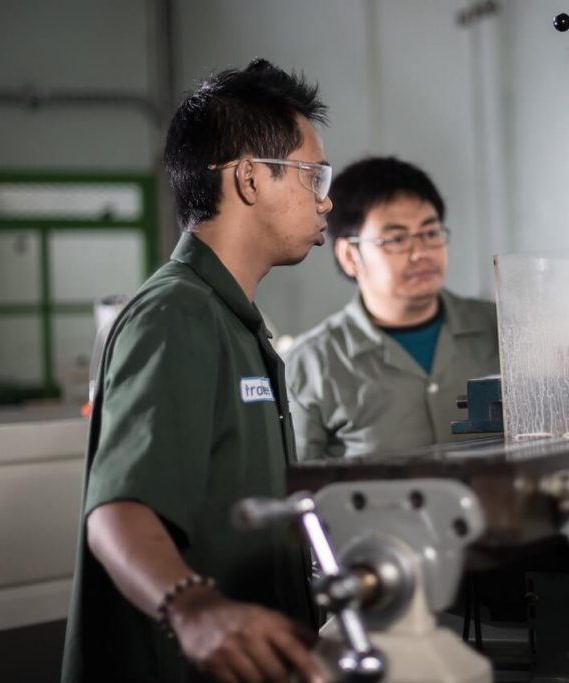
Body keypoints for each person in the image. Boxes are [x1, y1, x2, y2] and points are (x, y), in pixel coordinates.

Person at [61, 59, 332, 683]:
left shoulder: (236, 322)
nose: (326, 195)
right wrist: (196, 608)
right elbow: (117, 511)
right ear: (247, 179)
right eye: (311, 173)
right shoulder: (176, 315)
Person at [285, 157, 499, 461]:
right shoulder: (310, 365)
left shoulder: (500, 330)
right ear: (350, 255)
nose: (421, 253)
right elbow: (297, 488)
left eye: (430, 232)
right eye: (397, 239)